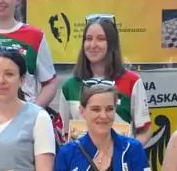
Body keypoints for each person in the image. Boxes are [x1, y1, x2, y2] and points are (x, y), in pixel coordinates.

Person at [60, 15, 151, 145]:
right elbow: (64, 134)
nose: (93, 45)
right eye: (88, 39)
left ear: (112, 44)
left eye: (101, 39)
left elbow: (145, 132)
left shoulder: (132, 82)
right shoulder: (69, 87)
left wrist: (128, 152)